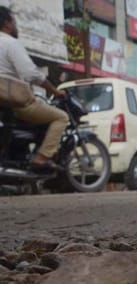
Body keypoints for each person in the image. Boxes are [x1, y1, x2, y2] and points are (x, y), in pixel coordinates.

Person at [0, 6, 68, 171]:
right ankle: (41, 158)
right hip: (13, 102)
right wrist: (54, 91)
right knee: (61, 117)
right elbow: (31, 74)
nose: (15, 25)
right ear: (7, 23)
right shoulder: (10, 43)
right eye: (14, 21)